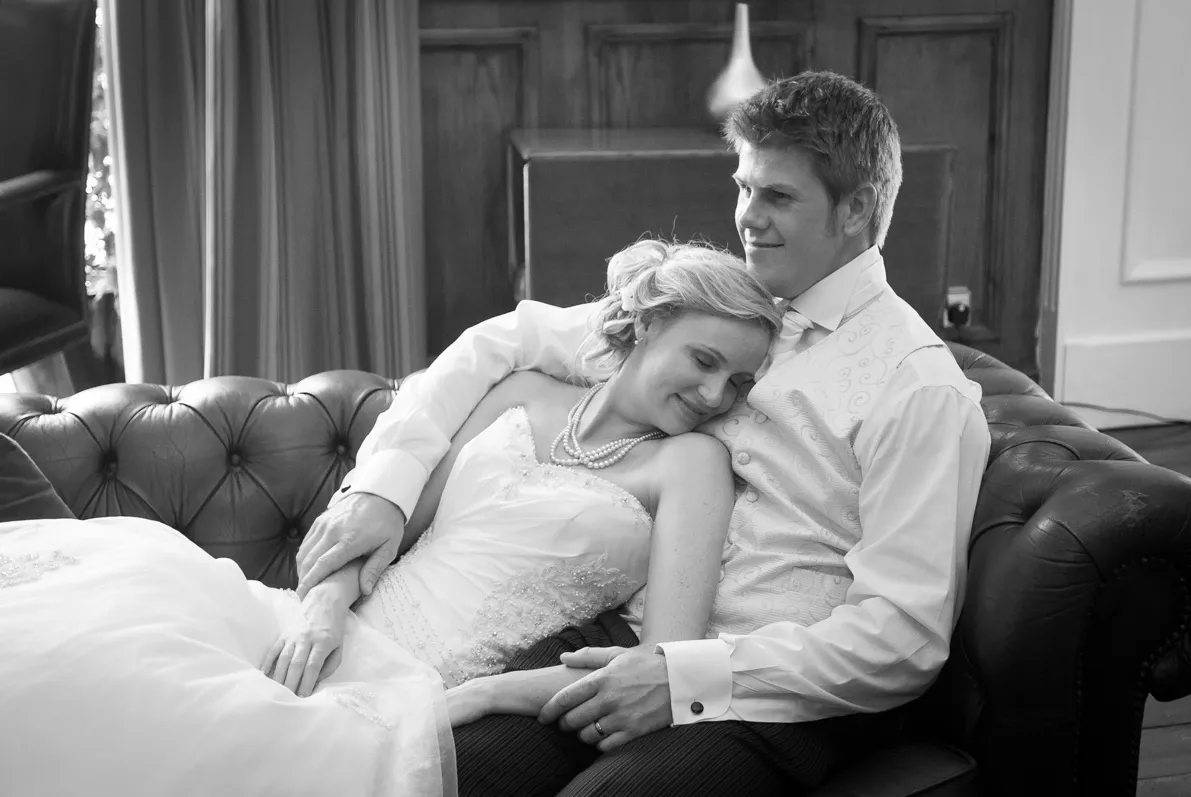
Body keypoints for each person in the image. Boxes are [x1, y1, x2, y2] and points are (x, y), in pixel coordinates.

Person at [296, 70, 992, 796]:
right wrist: (382, 489)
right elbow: (501, 344)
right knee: (421, 770)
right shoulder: (724, 310)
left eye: (778, 196)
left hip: (774, 688)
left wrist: (684, 674)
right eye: (744, 186)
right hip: (620, 638)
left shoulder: (917, 388)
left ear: (856, 209)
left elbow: (902, 638)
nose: (749, 216)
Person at [0, 239, 779, 797]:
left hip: (425, 695)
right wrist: (323, 605)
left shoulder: (691, 464)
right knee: (97, 671)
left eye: (738, 382)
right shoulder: (524, 392)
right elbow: (396, 524)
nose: (716, 397)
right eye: (703, 361)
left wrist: (481, 698)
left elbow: (661, 660)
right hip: (326, 634)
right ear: (645, 327)